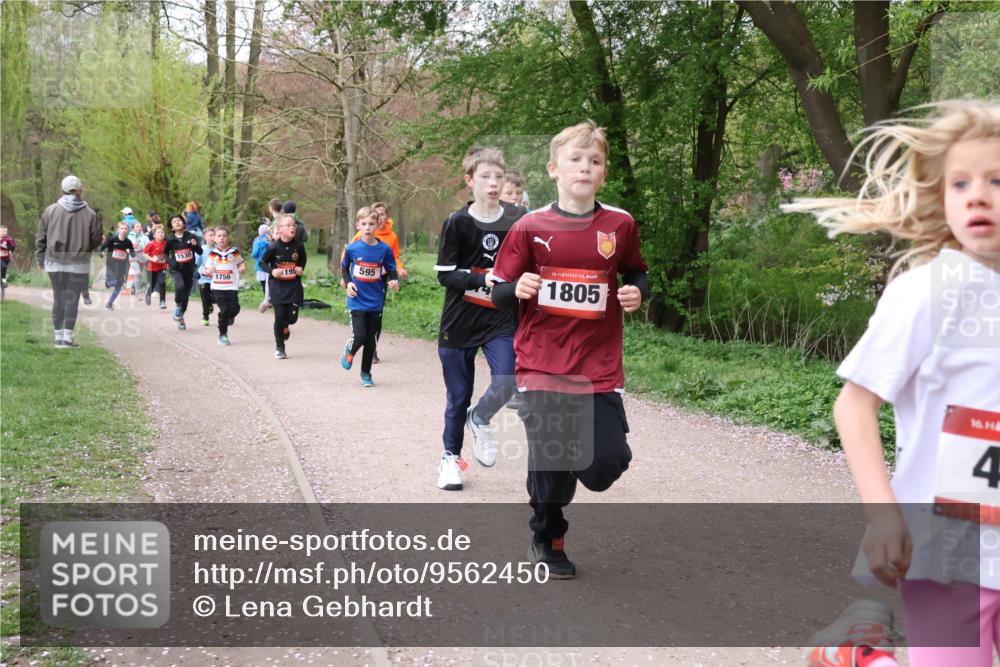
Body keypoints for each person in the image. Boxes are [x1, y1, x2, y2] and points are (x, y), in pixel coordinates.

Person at [786, 100, 1000, 667]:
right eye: (961, 183)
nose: (978, 194)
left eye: (997, 180)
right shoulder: (928, 292)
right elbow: (854, 406)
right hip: (945, 547)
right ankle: (854, 656)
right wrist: (884, 515)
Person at [490, 121, 649, 578]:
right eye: (576, 160)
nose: (585, 167)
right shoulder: (529, 226)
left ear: (603, 174)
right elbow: (497, 290)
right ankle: (548, 533)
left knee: (605, 465)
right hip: (540, 364)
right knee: (555, 459)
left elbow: (638, 273)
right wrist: (516, 287)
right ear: (554, 169)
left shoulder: (620, 225)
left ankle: (559, 467)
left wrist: (639, 293)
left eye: (594, 161)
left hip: (596, 368)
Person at [433, 147, 525, 491]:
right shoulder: (458, 222)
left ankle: (481, 416)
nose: (493, 183)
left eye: (499, 177)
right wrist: (480, 279)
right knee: (458, 395)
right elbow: (445, 275)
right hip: (459, 320)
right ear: (470, 181)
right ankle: (450, 460)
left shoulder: (518, 219)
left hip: (500, 318)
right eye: (485, 177)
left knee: (507, 381)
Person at [35, 175, 102, 348]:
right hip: (79, 263)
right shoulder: (91, 214)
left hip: (54, 261)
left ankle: (57, 338)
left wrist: (40, 259)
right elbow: (96, 240)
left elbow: (41, 238)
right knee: (72, 299)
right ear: (80, 190)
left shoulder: (50, 210)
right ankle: (67, 338)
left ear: (62, 190)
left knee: (59, 298)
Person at [341, 206, 399, 386]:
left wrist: (393, 280)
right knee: (359, 337)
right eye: (364, 224)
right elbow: (344, 268)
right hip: (356, 299)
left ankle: (366, 373)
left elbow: (391, 269)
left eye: (371, 224)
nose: (368, 227)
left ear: (377, 225)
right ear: (358, 225)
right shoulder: (352, 248)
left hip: (375, 301)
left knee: (371, 341)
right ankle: (350, 349)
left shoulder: (384, 249)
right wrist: (349, 282)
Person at [260, 215, 307, 359]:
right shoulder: (273, 247)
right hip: (278, 288)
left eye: (293, 225)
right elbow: (261, 263)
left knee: (292, 319)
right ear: (279, 229)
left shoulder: (298, 246)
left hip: (293, 287)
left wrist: (300, 268)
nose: (292, 228)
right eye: (288, 225)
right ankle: (280, 347)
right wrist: (272, 271)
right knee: (279, 318)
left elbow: (303, 259)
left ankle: (286, 325)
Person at [200, 227, 244, 346]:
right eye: (219, 236)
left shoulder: (234, 252)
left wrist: (241, 267)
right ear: (214, 239)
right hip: (218, 287)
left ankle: (227, 317)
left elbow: (240, 262)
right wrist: (209, 270)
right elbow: (206, 268)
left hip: (232, 286)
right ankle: (223, 334)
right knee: (224, 310)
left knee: (235, 308)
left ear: (228, 238)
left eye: (224, 235)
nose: (221, 238)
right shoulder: (213, 254)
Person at [164, 213, 202, 330]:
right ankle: (178, 305)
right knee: (179, 287)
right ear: (171, 227)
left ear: (184, 223)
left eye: (179, 220)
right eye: (174, 222)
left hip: (189, 270)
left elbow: (200, 252)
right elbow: (165, 253)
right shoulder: (170, 240)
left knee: (186, 296)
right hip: (176, 269)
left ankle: (181, 318)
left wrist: (195, 246)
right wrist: (171, 262)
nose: (177, 222)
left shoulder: (191, 236)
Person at [98, 221, 135, 310]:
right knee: (116, 283)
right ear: (118, 230)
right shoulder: (112, 240)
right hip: (112, 266)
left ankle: (109, 303)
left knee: (119, 286)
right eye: (122, 228)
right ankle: (108, 282)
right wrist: (101, 253)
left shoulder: (128, 242)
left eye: (125, 229)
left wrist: (130, 252)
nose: (123, 230)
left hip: (122, 267)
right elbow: (101, 248)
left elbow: (133, 254)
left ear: (128, 230)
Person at [196, 227, 216, 326]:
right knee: (205, 298)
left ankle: (210, 304)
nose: (213, 237)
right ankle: (205, 317)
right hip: (203, 278)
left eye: (214, 235)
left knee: (216, 297)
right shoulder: (201, 249)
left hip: (215, 278)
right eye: (210, 235)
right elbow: (197, 263)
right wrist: (196, 272)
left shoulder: (218, 250)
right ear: (205, 237)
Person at [144, 226, 168, 308]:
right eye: (158, 232)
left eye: (162, 232)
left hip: (162, 266)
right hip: (152, 267)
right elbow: (144, 254)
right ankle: (148, 294)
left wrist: (167, 259)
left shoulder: (166, 244)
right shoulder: (151, 244)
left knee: (162, 282)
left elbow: (169, 254)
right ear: (154, 235)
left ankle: (162, 301)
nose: (161, 234)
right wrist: (152, 259)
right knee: (152, 284)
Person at [127, 220, 149, 298]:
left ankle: (131, 287)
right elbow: (126, 246)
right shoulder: (129, 237)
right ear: (133, 229)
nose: (139, 228)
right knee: (138, 273)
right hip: (133, 257)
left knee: (138, 275)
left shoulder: (145, 237)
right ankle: (138, 292)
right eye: (137, 226)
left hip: (142, 258)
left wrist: (142, 247)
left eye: (140, 226)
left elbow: (148, 247)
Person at [251, 222, 271, 292]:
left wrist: (254, 256)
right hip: (270, 265)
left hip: (260, 265)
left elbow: (254, 253)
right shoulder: (270, 239)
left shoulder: (257, 240)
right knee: (270, 282)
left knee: (263, 283)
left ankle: (267, 298)